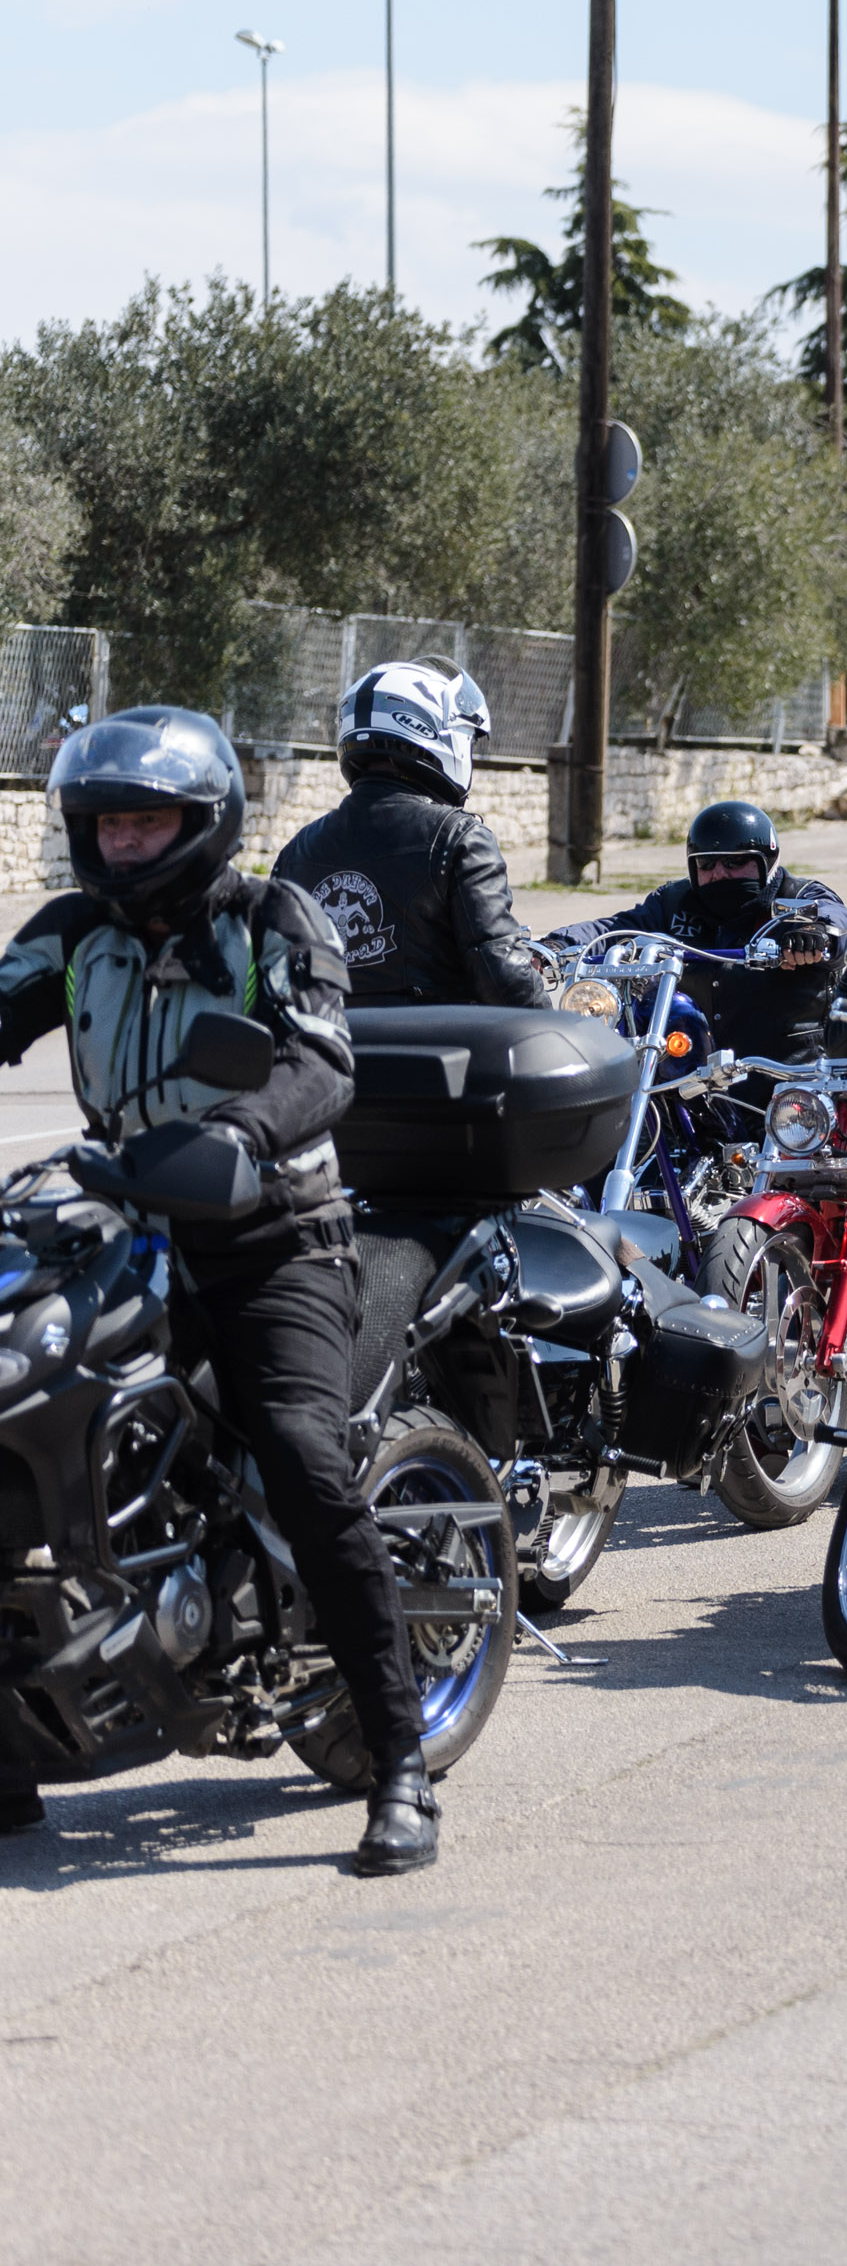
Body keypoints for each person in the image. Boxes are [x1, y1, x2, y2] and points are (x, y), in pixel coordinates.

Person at [0, 710, 436, 1871]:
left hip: (270, 1235)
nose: (129, 844)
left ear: (204, 822)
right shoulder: (70, 936)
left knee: (300, 1454)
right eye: (110, 824)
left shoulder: (268, 920)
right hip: (123, 1225)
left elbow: (318, 1056)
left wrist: (244, 1133)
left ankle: (397, 1762)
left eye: (150, 822)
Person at [270, 661, 549, 1010]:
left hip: (332, 1053)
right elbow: (501, 974)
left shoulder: (295, 852)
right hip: (438, 1055)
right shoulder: (459, 838)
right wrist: (563, 1029)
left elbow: (275, 979)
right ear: (432, 732)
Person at [574, 802, 847, 1068]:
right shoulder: (673, 902)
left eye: (735, 862)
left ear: (766, 863)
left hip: (782, 1078)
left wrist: (814, 933)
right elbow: (614, 930)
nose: (718, 873)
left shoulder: (798, 896)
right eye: (706, 863)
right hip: (688, 1075)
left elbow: (841, 923)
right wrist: (555, 944)